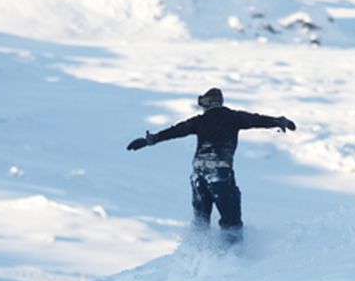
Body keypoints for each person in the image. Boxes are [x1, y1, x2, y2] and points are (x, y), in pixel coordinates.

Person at [127, 87, 296, 245]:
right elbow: (257, 119)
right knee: (231, 222)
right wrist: (278, 121)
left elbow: (176, 130)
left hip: (198, 174)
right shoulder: (234, 117)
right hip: (219, 173)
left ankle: (197, 255)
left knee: (200, 222)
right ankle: (234, 259)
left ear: (207, 104)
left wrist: (151, 140)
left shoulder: (200, 120)